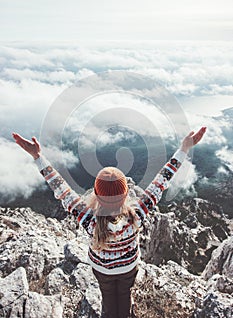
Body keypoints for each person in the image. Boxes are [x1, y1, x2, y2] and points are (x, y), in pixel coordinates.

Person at [12, 127, 206, 318]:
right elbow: (161, 181)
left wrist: (38, 157)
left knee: (108, 298)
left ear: (96, 194)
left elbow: (61, 189)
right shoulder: (136, 215)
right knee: (125, 294)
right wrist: (183, 150)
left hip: (101, 270)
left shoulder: (89, 220)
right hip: (129, 267)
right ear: (126, 195)